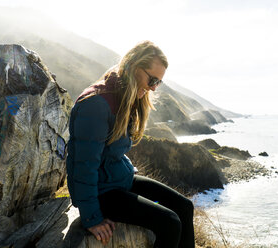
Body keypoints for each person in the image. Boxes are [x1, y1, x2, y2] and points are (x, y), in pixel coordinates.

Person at [66, 41, 195, 248]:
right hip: (102, 192)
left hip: (119, 180)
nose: (153, 87)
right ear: (134, 67)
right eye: (152, 79)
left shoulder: (125, 96)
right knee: (169, 223)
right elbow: (84, 166)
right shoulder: (96, 104)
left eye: (158, 82)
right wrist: (92, 218)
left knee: (184, 207)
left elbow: (112, 151)